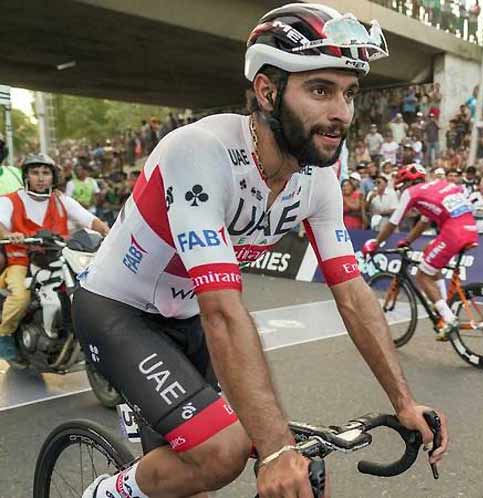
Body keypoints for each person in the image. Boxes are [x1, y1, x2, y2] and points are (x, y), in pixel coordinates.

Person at [78, 6, 447, 498]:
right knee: (224, 453)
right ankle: (104, 494)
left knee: (240, 468)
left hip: (187, 319)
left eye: (349, 93)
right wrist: (274, 451)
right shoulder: (200, 151)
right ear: (268, 91)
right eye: (321, 90)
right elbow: (222, 309)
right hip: (120, 311)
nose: (342, 112)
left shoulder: (319, 181)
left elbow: (354, 295)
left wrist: (403, 401)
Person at [0, 154, 109, 362]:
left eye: (46, 173)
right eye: (35, 173)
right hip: (22, 260)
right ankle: (4, 335)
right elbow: (1, 222)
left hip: (58, 258)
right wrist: (9, 234)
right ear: (26, 176)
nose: (41, 178)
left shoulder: (61, 200)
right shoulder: (10, 200)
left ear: (53, 176)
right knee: (21, 297)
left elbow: (88, 218)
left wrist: (106, 230)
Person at [362, 164, 479, 340]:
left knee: (422, 276)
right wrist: (408, 241)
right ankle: (443, 304)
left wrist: (376, 243)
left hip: (453, 232)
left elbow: (393, 222)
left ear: (408, 183)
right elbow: (424, 222)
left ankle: (448, 318)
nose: (402, 190)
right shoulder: (437, 186)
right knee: (428, 253)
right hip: (470, 228)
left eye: (402, 186)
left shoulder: (412, 192)